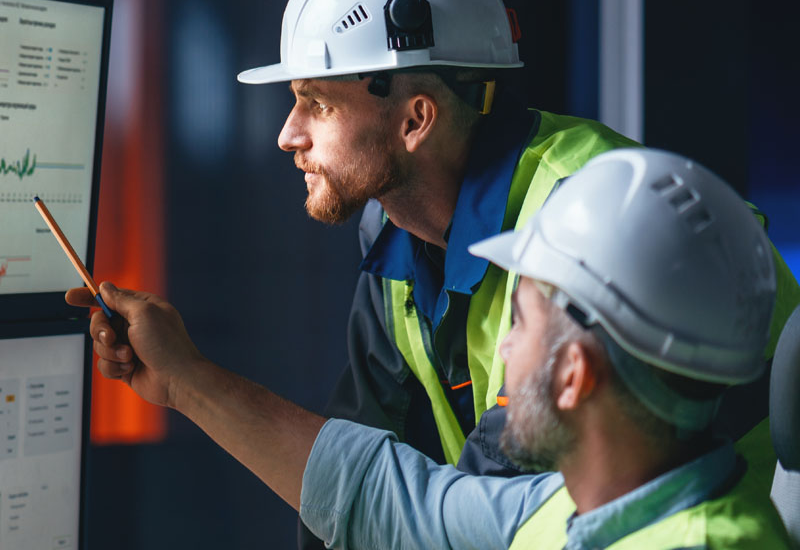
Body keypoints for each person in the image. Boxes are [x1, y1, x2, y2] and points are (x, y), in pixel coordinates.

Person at [68, 149, 793, 548]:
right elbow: (391, 501)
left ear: (574, 374)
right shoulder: (582, 505)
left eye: (521, 321)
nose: (501, 347)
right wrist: (186, 381)